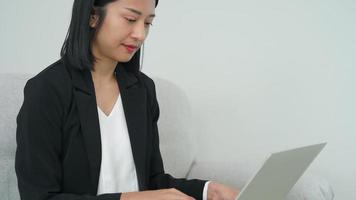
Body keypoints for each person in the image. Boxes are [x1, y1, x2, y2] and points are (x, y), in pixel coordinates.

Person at [15, 0, 239, 199]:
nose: (140, 34)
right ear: (93, 16)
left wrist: (206, 190)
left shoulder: (142, 90)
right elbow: (39, 196)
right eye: (130, 19)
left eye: (148, 23)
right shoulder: (46, 90)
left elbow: (151, 182)